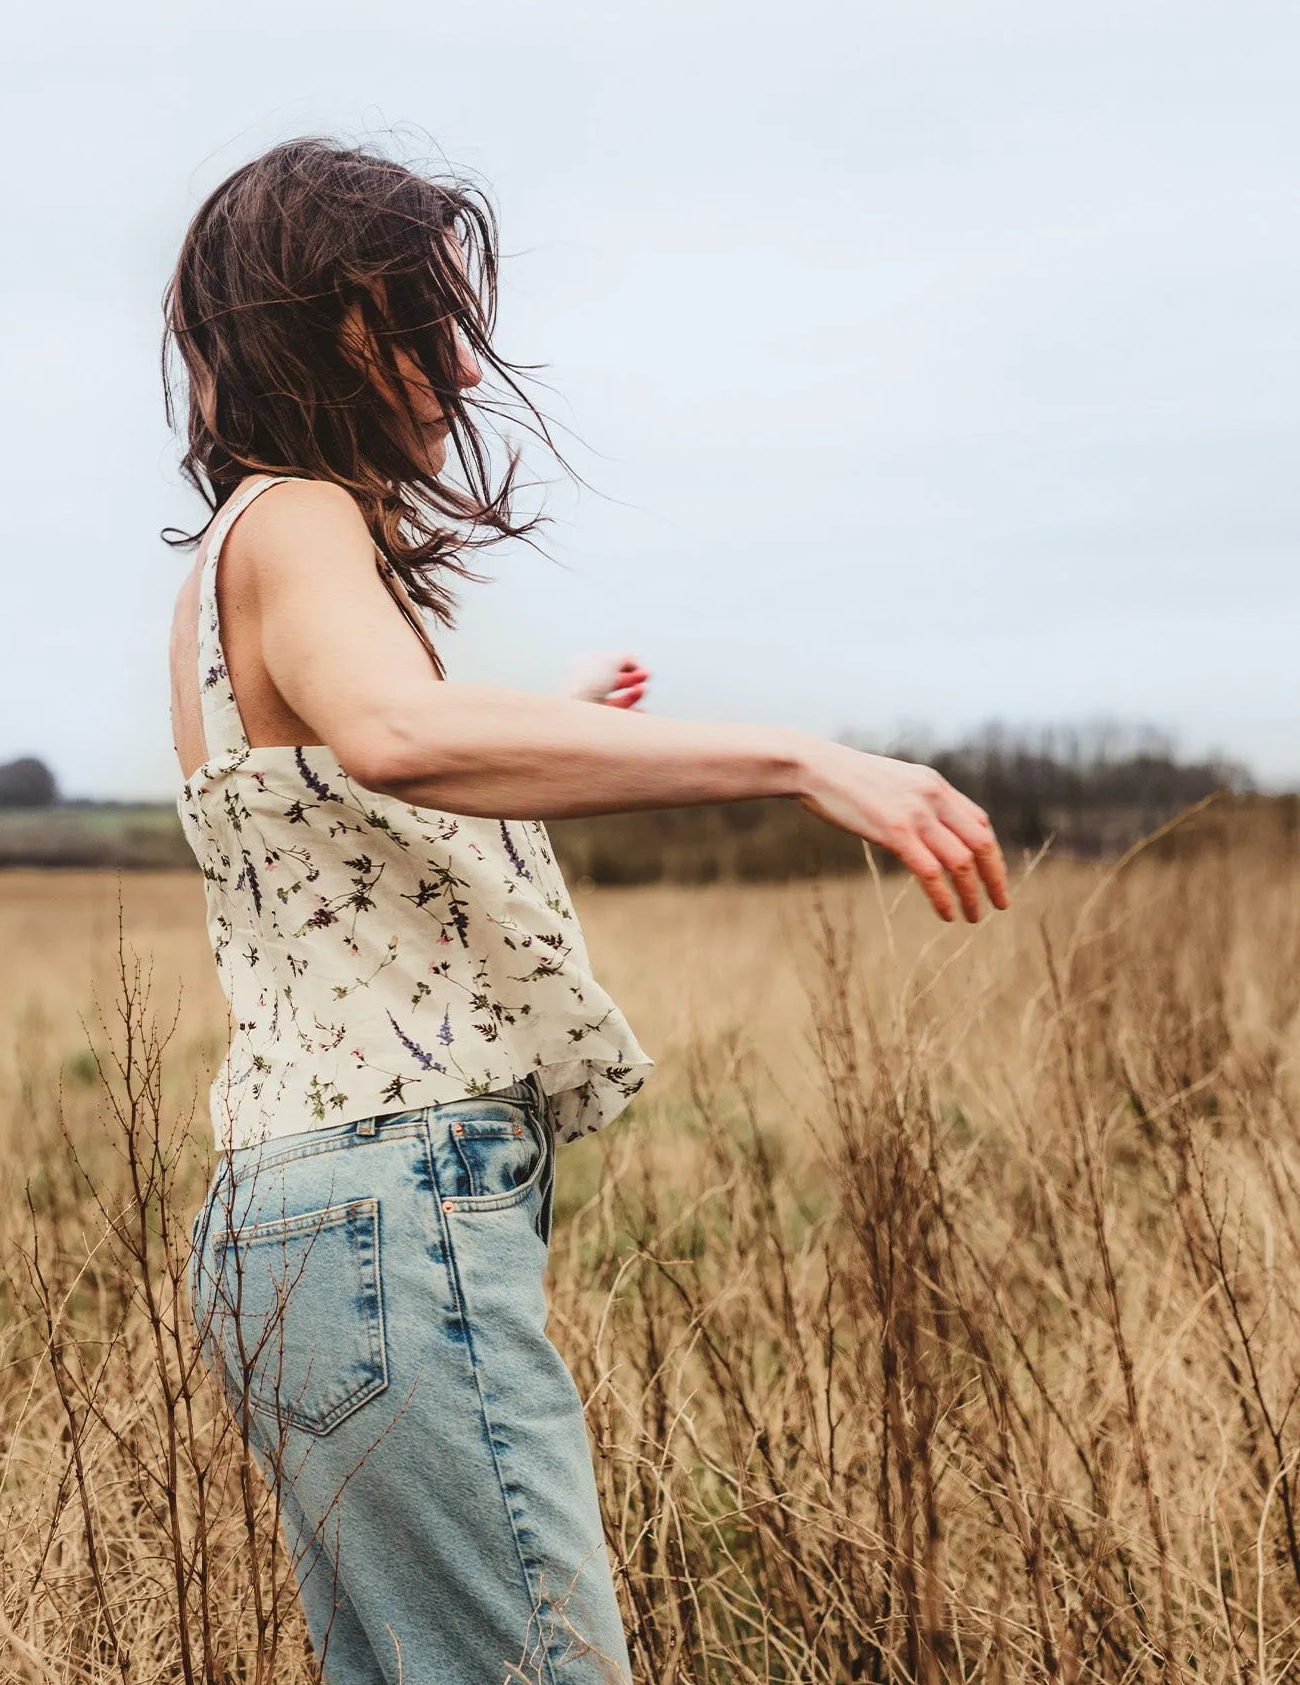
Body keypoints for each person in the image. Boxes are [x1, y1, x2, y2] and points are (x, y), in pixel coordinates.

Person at [166, 138, 1008, 1684]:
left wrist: (539, 713)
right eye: (420, 323)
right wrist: (799, 758)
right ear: (314, 326)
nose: (465, 371)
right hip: (383, 1206)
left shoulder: (253, 548)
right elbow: (397, 738)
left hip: (297, 1219)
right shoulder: (297, 518)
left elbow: (361, 758)